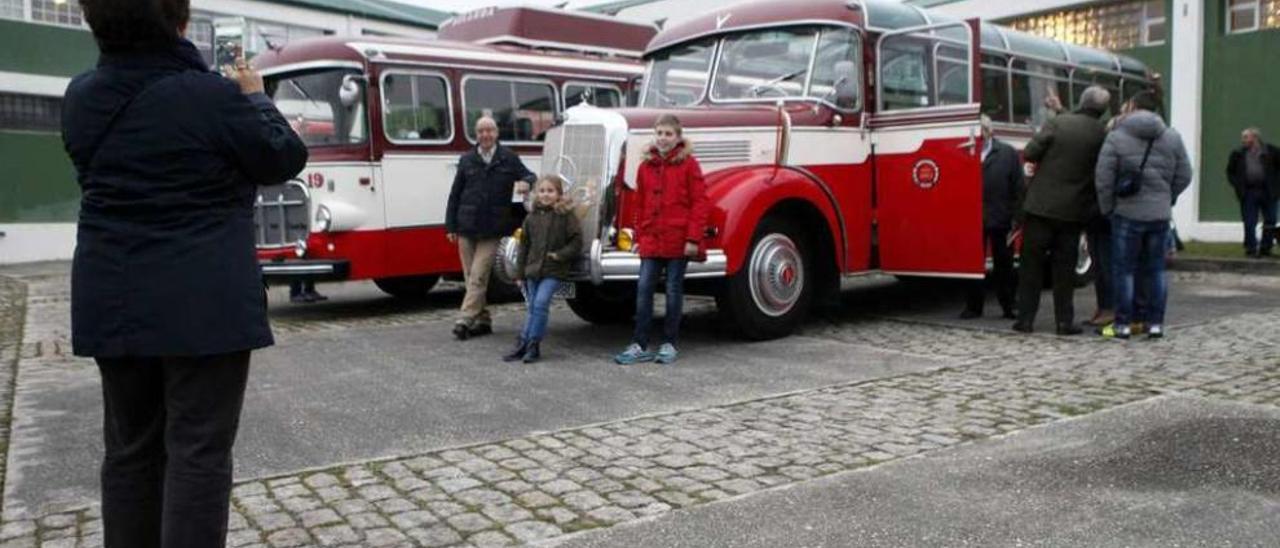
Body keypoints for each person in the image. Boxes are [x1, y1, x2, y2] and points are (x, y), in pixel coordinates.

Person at [61, 1, 308, 546]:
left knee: (129, 452)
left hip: (114, 295)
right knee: (198, 452)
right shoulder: (215, 98)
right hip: (205, 303)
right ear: (176, 21)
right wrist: (256, 96)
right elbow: (284, 157)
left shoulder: (81, 98)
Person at [1013, 86, 1111, 335]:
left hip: (1040, 207)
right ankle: (1064, 322)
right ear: (1103, 109)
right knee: (1064, 270)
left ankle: (1025, 320)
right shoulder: (1103, 133)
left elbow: (1032, 152)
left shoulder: (1058, 123)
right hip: (1073, 211)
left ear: (1081, 101)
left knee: (1031, 267)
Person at [1095, 91, 1192, 339]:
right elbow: (1185, 174)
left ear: (1134, 107)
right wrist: (1167, 196)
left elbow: (1103, 178)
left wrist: (1108, 207)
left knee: (1124, 270)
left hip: (1126, 213)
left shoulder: (1116, 137)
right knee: (1156, 270)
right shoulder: (1172, 137)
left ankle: (1124, 324)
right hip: (1159, 215)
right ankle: (1155, 323)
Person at [614, 114, 709, 365]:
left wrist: (693, 238)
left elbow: (699, 202)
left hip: (678, 239)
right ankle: (639, 343)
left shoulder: (689, 165)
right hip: (651, 239)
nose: (663, 138)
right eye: (659, 133)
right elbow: (640, 203)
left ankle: (669, 342)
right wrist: (638, 234)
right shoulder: (646, 167)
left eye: (668, 134)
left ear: (678, 137)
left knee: (673, 290)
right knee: (644, 289)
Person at [445, 116, 536, 340]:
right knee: (469, 276)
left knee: (479, 273)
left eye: (490, 131)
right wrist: (450, 225)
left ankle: (464, 318)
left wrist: (527, 182)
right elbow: (455, 194)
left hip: (493, 228)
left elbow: (530, 175)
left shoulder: (508, 158)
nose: (485, 135)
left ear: (496, 133)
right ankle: (483, 320)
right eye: (481, 131)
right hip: (466, 225)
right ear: (476, 135)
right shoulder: (467, 159)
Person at [504, 175, 583, 364]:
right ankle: (523, 343)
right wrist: (519, 273)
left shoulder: (565, 216)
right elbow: (524, 246)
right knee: (532, 307)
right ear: (536, 194)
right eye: (542, 191)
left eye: (550, 191)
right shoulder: (531, 218)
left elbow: (576, 241)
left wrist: (560, 255)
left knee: (540, 304)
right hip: (532, 269)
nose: (546, 195)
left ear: (558, 194)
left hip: (554, 269)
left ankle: (533, 343)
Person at [961, 114, 1021, 320]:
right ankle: (973, 306)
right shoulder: (965, 151)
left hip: (1001, 216)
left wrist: (1016, 218)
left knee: (1004, 264)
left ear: (989, 132)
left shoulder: (1007, 153)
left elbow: (1017, 187)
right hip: (972, 218)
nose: (978, 137)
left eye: (981, 132)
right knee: (972, 264)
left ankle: (1009, 305)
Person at [1226, 127, 1280, 257]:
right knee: (1250, 221)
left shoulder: (1271, 151)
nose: (1243, 140)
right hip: (1249, 192)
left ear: (1255, 138)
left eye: (1246, 137)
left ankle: (1266, 248)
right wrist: (1238, 185)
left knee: (1271, 220)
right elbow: (1230, 171)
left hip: (1268, 191)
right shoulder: (1238, 154)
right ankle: (1251, 248)